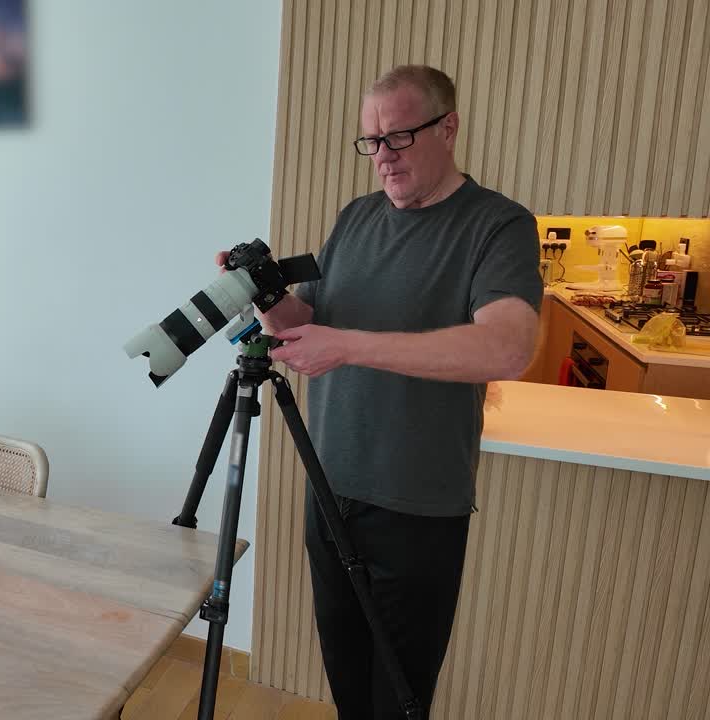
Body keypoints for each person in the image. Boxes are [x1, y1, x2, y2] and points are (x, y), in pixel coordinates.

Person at [220, 65, 542, 718]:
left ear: (448, 128)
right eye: (371, 142)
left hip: (418, 510)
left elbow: (508, 347)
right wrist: (265, 296)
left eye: (397, 138)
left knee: (397, 696)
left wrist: (352, 345)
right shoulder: (357, 218)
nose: (382, 159)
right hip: (331, 491)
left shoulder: (497, 225)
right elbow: (305, 325)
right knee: (347, 685)